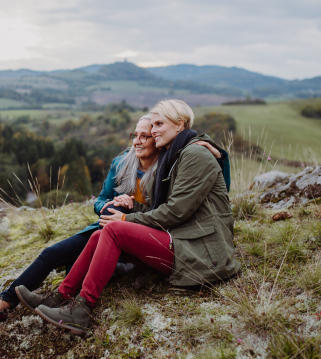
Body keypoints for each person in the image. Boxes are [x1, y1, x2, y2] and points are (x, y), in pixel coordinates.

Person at [0, 115, 224, 328]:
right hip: (111, 226)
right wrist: (111, 205)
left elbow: (190, 196)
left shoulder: (169, 166)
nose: (139, 141)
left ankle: (79, 302)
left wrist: (219, 153)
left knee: (88, 258)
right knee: (52, 253)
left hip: (140, 231)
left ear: (159, 140)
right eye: (136, 135)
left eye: (147, 135)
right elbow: (99, 201)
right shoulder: (122, 163)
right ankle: (1, 307)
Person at [26, 99, 240, 335]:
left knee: (115, 230)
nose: (154, 129)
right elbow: (164, 209)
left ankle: (82, 310)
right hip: (181, 239)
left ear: (180, 124)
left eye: (159, 123)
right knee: (99, 235)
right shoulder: (174, 156)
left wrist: (125, 221)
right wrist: (124, 210)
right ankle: (60, 297)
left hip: (201, 251)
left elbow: (176, 211)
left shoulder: (195, 155)